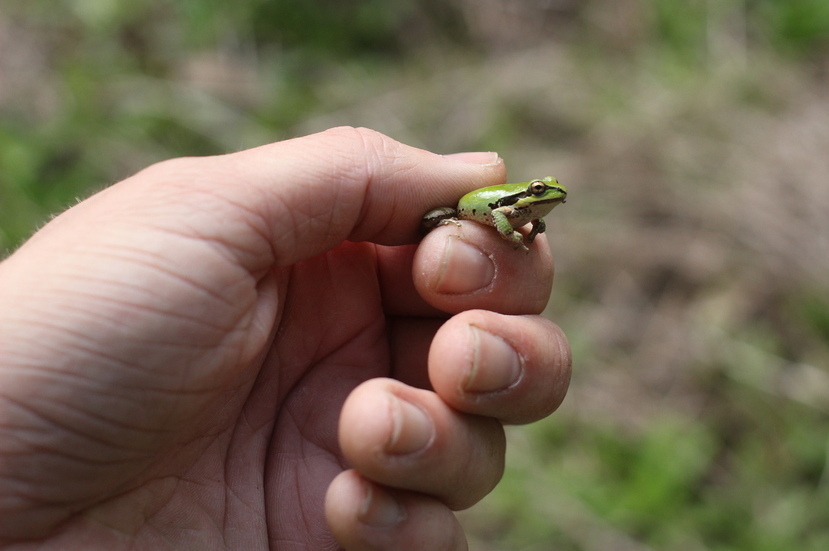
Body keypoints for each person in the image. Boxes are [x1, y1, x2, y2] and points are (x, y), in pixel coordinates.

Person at [0, 127, 572, 550]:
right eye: (543, 192)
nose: (546, 198)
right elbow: (499, 217)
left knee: (450, 381)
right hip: (463, 216)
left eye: (548, 196)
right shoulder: (505, 204)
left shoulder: (526, 211)